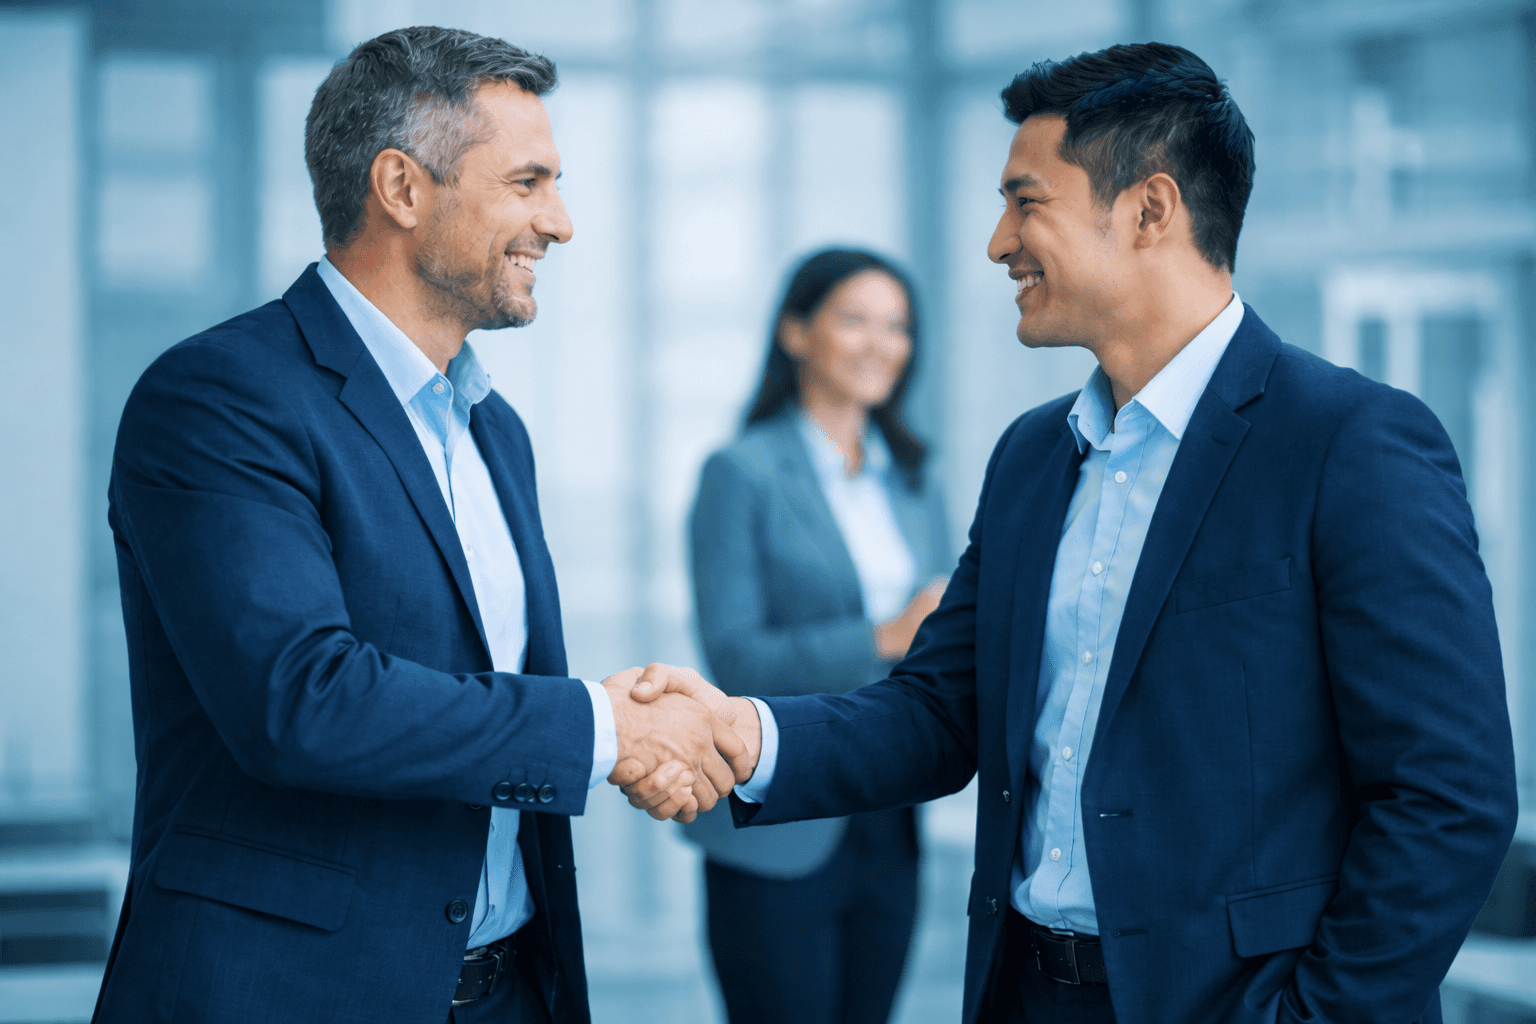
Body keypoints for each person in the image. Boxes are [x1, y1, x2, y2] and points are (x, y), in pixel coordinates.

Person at [622, 42, 1519, 1024]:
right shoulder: (1030, 458)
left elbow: (1447, 797)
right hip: (1024, 993)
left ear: (1149, 210)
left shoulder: (1349, 441)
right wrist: (740, 731)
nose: (998, 242)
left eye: (1026, 201)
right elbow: (936, 708)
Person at [93, 26, 745, 1024]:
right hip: (287, 996)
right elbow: (302, 699)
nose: (560, 223)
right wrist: (608, 728)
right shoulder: (220, 397)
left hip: (505, 988)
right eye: (529, 182)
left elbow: (483, 695)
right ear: (401, 188)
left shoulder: (496, 430)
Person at [684, 249, 951, 1024]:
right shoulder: (740, 472)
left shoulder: (914, 478)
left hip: (888, 816)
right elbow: (734, 656)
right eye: (856, 319)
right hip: (779, 820)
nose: (881, 344)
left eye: (897, 326)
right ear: (797, 332)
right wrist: (887, 635)